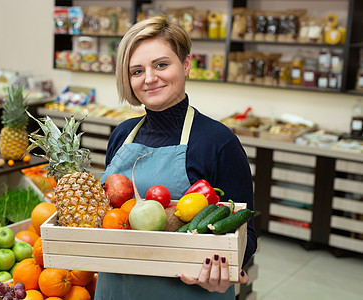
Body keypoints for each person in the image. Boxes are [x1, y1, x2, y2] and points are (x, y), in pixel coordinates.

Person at [97, 15, 257, 299]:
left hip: (188, 291)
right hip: (117, 288)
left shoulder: (218, 141)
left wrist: (226, 272)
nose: (149, 78)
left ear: (185, 64)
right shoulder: (122, 135)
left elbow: (247, 233)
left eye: (161, 64)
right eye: (137, 71)